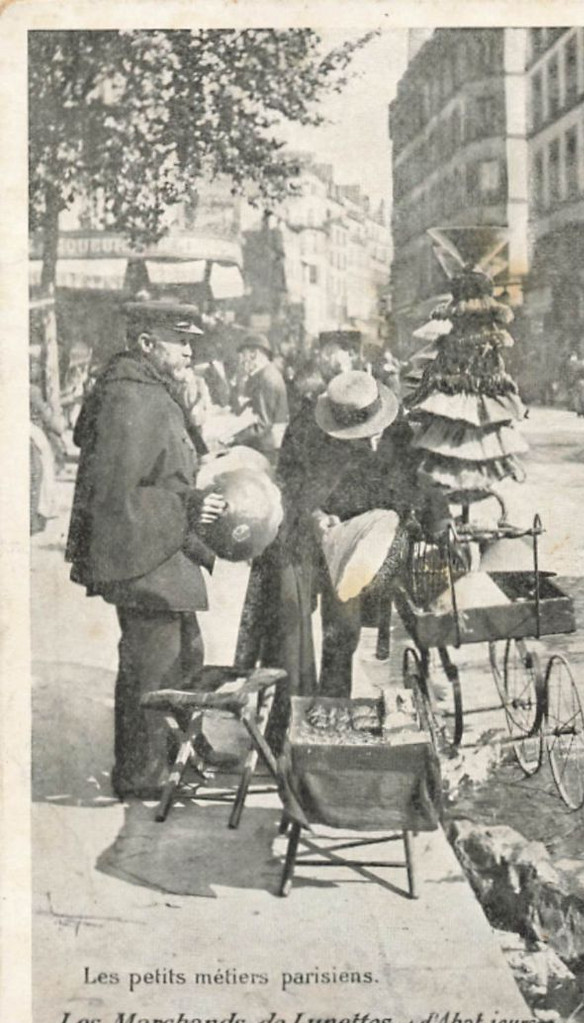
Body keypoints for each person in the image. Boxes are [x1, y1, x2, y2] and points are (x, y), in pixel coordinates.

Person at [235, 369, 449, 745]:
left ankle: (329, 717)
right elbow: (288, 484)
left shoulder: (398, 431)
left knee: (343, 629)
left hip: (357, 542)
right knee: (289, 623)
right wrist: (314, 516)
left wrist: (438, 521)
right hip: (303, 536)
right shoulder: (306, 427)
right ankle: (285, 726)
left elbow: (418, 483)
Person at [65, 300, 225, 801]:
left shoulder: (147, 389)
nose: (189, 350)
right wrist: (189, 507)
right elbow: (116, 498)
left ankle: (180, 752)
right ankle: (142, 772)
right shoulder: (130, 399)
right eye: (180, 341)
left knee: (185, 655)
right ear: (146, 344)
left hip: (159, 551)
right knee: (152, 668)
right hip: (143, 555)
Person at [229, 332, 289, 466]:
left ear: (253, 354)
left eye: (242, 355)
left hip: (263, 451)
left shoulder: (266, 379)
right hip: (262, 448)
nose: (241, 361)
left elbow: (262, 423)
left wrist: (234, 438)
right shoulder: (264, 374)